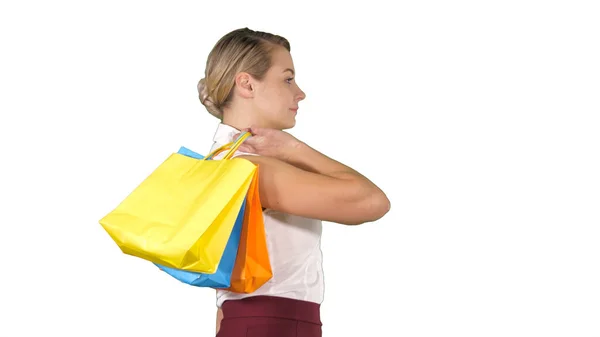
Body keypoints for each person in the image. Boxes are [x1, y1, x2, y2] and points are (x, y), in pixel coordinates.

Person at [197, 27, 390, 337]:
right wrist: (295, 148)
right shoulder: (250, 167)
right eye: (287, 79)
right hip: (274, 325)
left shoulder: (220, 162)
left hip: (251, 323)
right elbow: (373, 202)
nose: (299, 93)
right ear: (246, 84)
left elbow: (224, 299)